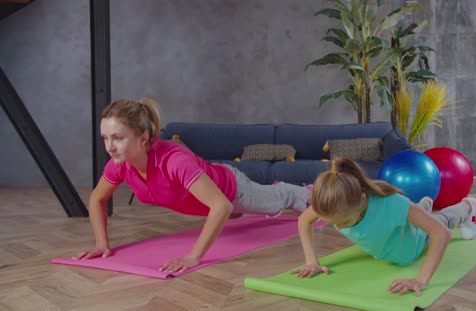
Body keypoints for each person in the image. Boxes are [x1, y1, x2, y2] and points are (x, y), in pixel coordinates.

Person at [74, 98, 310, 273]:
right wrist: (101, 244)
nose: (109, 146)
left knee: (278, 200)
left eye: (117, 138)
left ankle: (302, 191)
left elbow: (222, 206)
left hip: (232, 189)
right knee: (230, 213)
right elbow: (97, 199)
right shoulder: (119, 164)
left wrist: (193, 257)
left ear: (143, 138)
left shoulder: (174, 161)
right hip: (212, 198)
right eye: (105, 137)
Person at [292, 157, 476, 296]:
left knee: (442, 220)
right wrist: (312, 261)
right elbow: (303, 220)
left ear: (362, 200)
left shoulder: (391, 203)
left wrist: (421, 280)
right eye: (333, 224)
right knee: (414, 214)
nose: (340, 228)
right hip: (398, 230)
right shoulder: (332, 205)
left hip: (414, 242)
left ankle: (467, 206)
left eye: (345, 223)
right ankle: (423, 207)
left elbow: (442, 234)